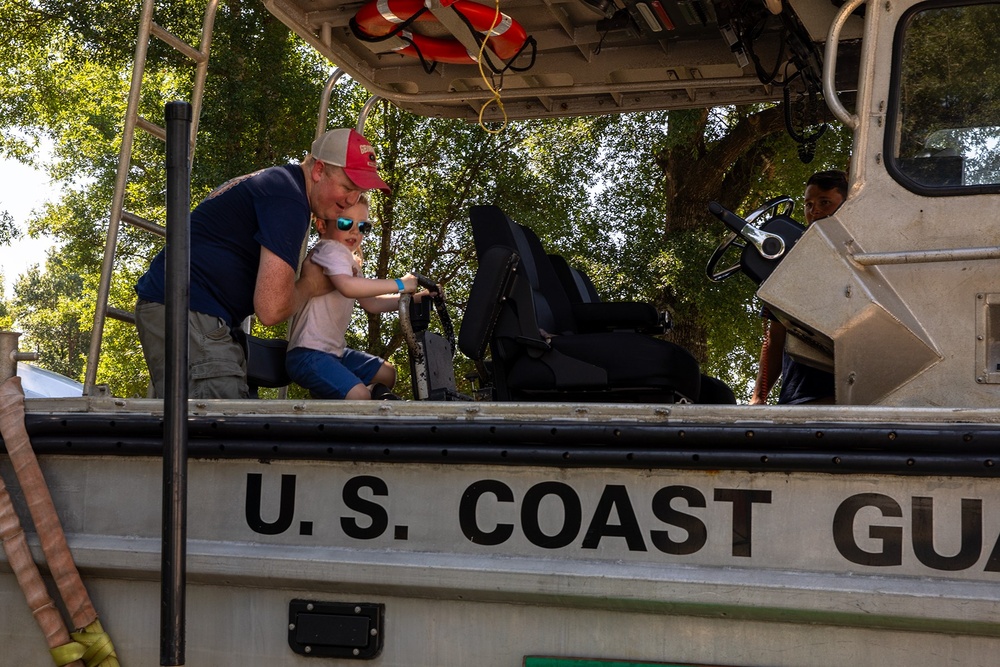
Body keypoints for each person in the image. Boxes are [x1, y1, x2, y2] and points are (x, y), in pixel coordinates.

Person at [134, 128, 390, 399]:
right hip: (187, 310)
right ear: (319, 171)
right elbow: (271, 309)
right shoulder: (288, 198)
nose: (351, 200)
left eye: (358, 191)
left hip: (194, 311)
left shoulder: (281, 185)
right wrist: (310, 286)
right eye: (348, 187)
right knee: (220, 424)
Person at [285, 194, 427, 399]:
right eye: (345, 223)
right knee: (360, 396)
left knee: (387, 374)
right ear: (322, 225)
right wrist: (400, 284)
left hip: (335, 353)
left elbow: (371, 303)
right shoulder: (329, 249)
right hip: (307, 353)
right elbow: (347, 287)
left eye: (363, 227)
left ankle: (334, 395)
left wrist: (413, 300)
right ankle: (351, 398)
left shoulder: (348, 261)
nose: (355, 231)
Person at [749, 169, 848, 405]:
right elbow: (775, 337)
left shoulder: (863, 258)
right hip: (798, 398)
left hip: (842, 396)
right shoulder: (793, 264)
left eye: (825, 202)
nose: (814, 211)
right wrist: (758, 397)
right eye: (809, 204)